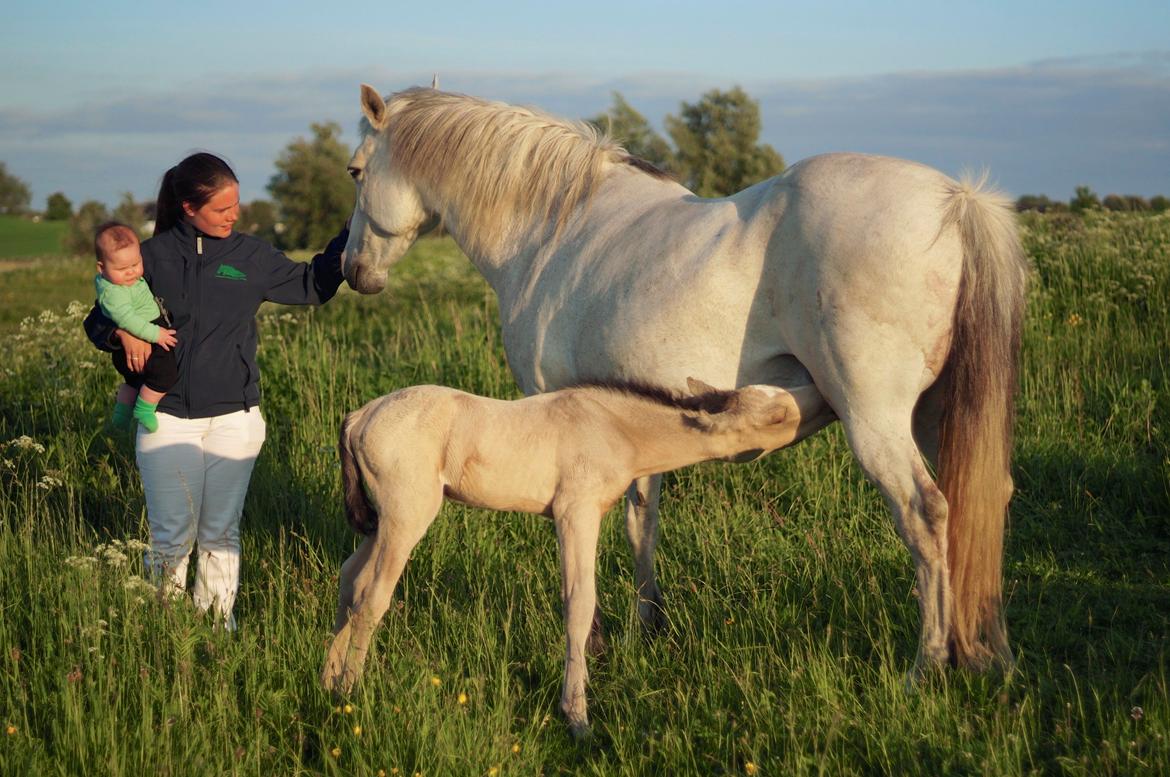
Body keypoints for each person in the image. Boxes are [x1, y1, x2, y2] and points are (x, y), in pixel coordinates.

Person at [85, 152, 349, 629]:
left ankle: (214, 633)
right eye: (222, 208)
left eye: (236, 206)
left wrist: (355, 232)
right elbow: (99, 316)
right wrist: (119, 334)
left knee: (220, 532)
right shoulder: (153, 256)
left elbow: (313, 285)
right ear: (188, 207)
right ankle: (163, 633)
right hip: (166, 417)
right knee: (171, 535)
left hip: (235, 418)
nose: (234, 216)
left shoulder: (251, 257)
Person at [93, 221, 179, 432]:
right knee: (165, 374)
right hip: (145, 333)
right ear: (101, 268)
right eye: (122, 269)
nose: (131, 272)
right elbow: (126, 319)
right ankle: (144, 409)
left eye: (135, 264)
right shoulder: (113, 292)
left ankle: (121, 416)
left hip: (138, 339)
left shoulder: (119, 282)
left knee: (133, 381)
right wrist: (155, 334)